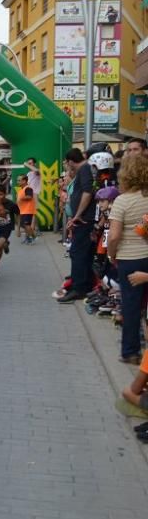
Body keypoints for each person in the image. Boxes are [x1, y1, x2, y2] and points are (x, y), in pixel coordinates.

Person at [107, 154, 148, 364]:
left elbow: (114, 236)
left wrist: (111, 253)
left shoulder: (122, 201)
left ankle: (131, 351)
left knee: (131, 307)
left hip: (129, 259)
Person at [60, 148, 96, 302]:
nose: (68, 167)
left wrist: (77, 215)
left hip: (84, 220)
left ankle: (79, 288)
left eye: (67, 164)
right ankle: (83, 284)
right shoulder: (84, 169)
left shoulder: (84, 169)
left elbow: (87, 193)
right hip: (81, 219)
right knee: (82, 253)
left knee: (77, 253)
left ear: (70, 161)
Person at [15, 173, 37, 245]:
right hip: (23, 211)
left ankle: (33, 237)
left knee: (27, 225)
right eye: (17, 180)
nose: (17, 182)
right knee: (24, 225)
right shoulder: (21, 189)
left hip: (28, 210)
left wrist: (21, 198)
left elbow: (29, 197)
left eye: (19, 180)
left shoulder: (28, 188)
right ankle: (28, 238)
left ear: (24, 181)